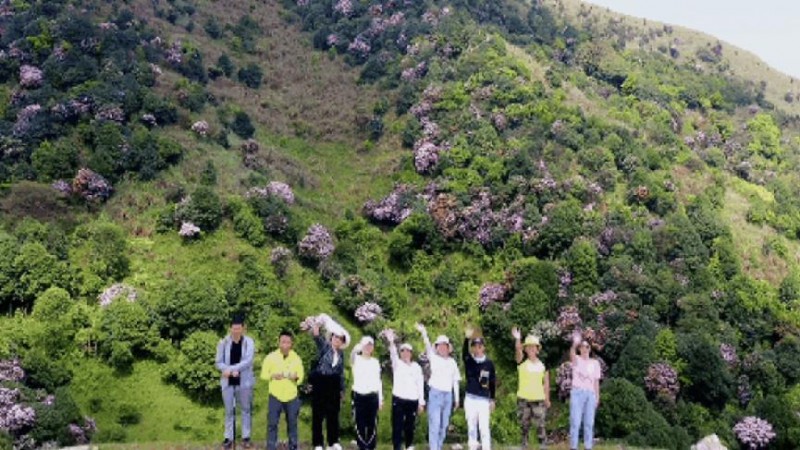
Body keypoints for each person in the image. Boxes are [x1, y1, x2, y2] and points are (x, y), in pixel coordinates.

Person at [415, 323, 461, 450]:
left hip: (448, 396)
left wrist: (457, 399)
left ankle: (438, 446)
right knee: (434, 424)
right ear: (437, 347)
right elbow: (427, 344)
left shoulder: (452, 362)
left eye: (444, 345)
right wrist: (423, 331)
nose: (442, 348)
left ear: (448, 347)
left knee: (444, 425)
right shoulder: (433, 358)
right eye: (439, 345)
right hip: (435, 394)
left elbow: (455, 381)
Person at [310, 314, 351, 450]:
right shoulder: (325, 346)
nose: (337, 340)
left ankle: (333, 442)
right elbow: (316, 336)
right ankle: (317, 443)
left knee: (333, 414)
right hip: (321, 381)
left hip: (334, 384)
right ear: (332, 337)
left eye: (340, 339)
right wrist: (317, 323)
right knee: (318, 414)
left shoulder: (341, 354)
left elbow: (340, 373)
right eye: (336, 337)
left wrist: (342, 390)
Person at [215, 313, 255, 449]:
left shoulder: (249, 342)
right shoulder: (223, 342)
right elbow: (218, 362)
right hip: (227, 381)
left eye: (239, 328)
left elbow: (248, 361)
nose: (236, 331)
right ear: (230, 328)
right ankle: (228, 438)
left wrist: (231, 369)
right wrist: (227, 371)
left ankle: (246, 437)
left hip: (244, 381)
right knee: (229, 411)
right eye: (234, 328)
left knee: (245, 409)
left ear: (243, 328)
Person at [260, 330, 304, 450]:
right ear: (279, 343)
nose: (285, 345)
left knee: (292, 423)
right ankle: (271, 447)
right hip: (275, 395)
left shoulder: (296, 358)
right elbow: (263, 375)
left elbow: (300, 377)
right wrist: (272, 376)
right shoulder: (271, 357)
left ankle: (293, 446)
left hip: (292, 396)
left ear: (291, 344)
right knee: (272, 423)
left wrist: (295, 377)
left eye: (288, 342)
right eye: (283, 342)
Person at [382, 330, 425, 450]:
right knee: (397, 425)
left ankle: (409, 445)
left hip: (413, 400)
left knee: (410, 426)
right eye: (402, 351)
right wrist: (391, 341)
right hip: (398, 399)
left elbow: (420, 384)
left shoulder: (416, 367)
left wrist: (421, 402)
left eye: (407, 351)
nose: (405, 353)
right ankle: (397, 447)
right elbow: (393, 352)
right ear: (400, 353)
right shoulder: (397, 364)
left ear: (411, 353)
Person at [512, 327, 550, 449]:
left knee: (541, 425)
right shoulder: (521, 361)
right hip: (524, 399)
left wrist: (547, 399)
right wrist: (518, 339)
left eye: (534, 346)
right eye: (529, 347)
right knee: (524, 426)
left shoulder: (543, 365)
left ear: (538, 349)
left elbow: (546, 383)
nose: (532, 348)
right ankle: (524, 445)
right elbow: (518, 350)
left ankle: (543, 445)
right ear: (526, 349)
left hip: (538, 399)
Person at [462, 326, 496, 450]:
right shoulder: (469, 361)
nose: (477, 348)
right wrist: (467, 339)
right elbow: (464, 353)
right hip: (470, 398)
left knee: (484, 427)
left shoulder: (489, 363)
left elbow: (492, 382)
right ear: (472, 348)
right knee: (471, 426)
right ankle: (473, 447)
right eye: (475, 346)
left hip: (483, 399)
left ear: (483, 347)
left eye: (480, 346)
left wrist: (492, 399)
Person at [568, 333, 601, 450]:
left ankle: (588, 447)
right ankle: (573, 447)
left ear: (590, 349)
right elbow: (572, 353)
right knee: (575, 422)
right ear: (580, 349)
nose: (585, 348)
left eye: (587, 346)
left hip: (590, 394)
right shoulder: (576, 359)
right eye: (582, 346)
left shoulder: (595, 363)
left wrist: (597, 397)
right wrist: (574, 344)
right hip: (577, 393)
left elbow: (596, 382)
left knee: (589, 423)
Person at [350, 336, 383, 450]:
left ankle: (371, 447)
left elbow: (378, 381)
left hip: (372, 396)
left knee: (372, 424)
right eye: (366, 345)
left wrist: (380, 399)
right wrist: (360, 345)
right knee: (359, 423)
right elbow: (353, 352)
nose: (368, 347)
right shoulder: (356, 359)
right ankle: (362, 447)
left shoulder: (375, 362)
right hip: (358, 396)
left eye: (370, 345)